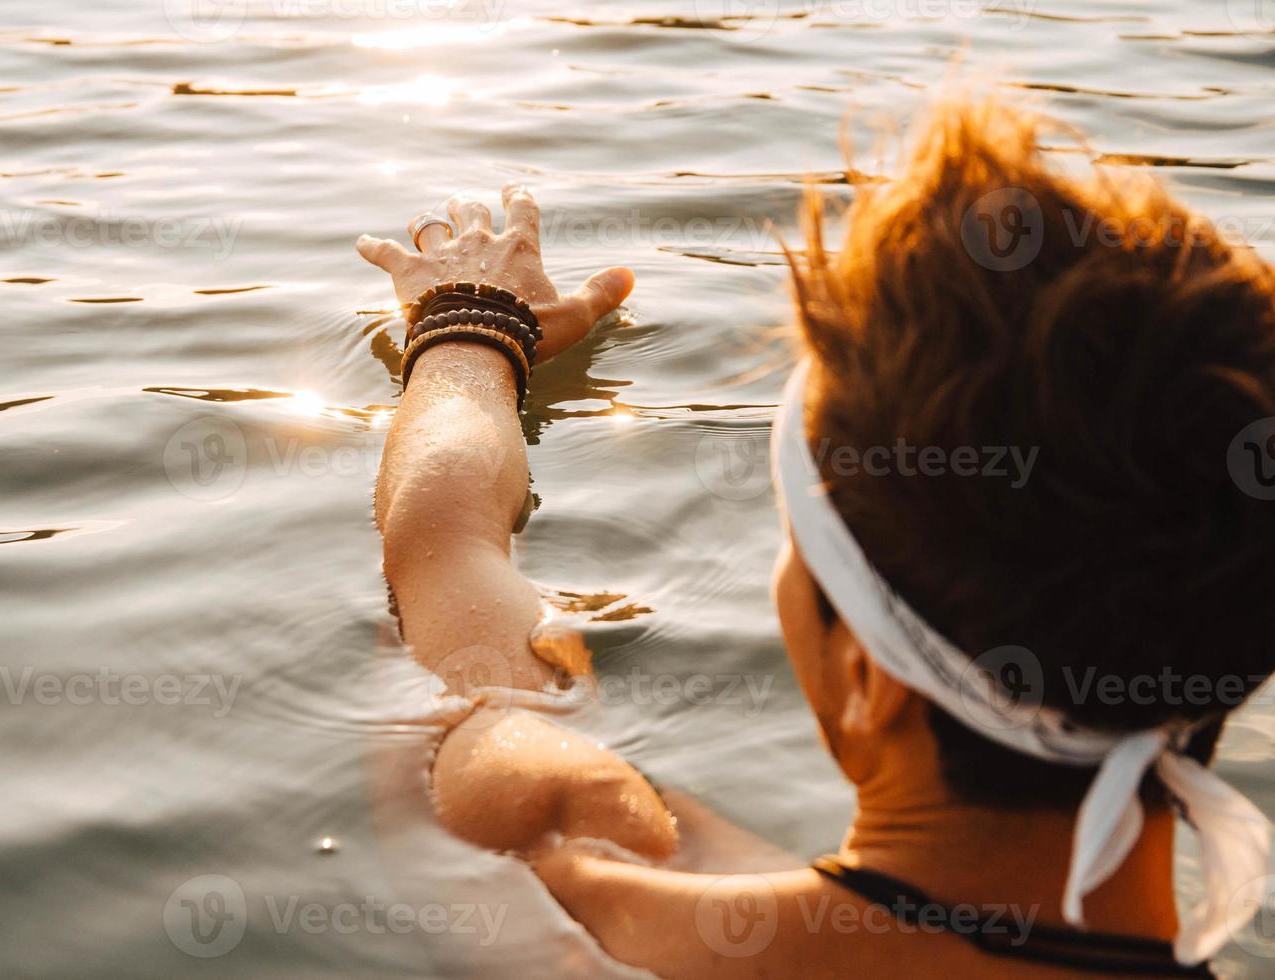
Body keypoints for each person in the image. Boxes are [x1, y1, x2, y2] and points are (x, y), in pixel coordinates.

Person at [356, 96, 1275, 978]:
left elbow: (440, 542)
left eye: (796, 547)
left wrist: (469, 324)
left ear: (871, 682)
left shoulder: (583, 873)